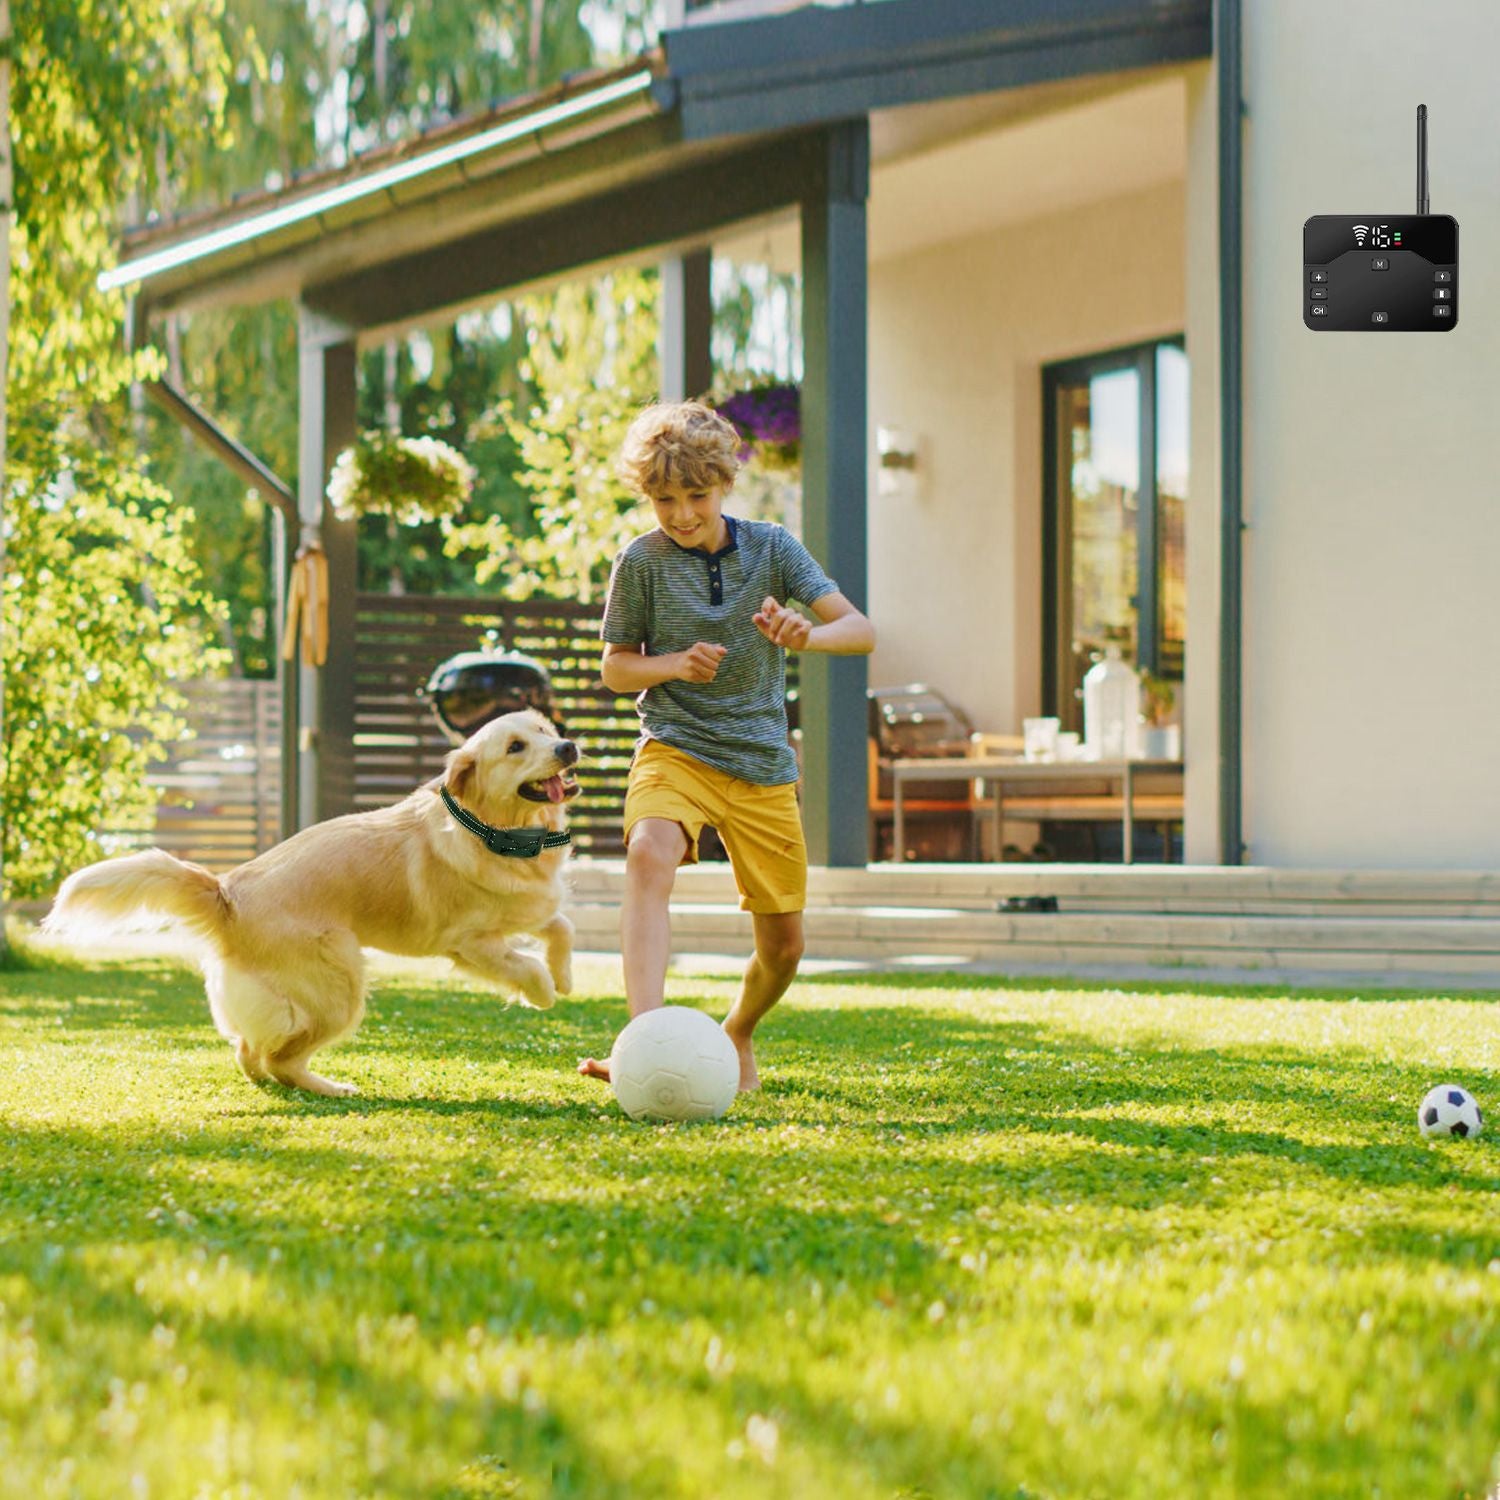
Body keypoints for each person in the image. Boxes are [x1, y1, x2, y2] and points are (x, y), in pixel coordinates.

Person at [578, 400, 875, 1092]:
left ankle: (736, 1031)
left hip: (760, 762)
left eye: (696, 496)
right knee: (649, 854)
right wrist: (673, 664)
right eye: (664, 499)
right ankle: (644, 1043)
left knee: (784, 947)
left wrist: (809, 635)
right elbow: (616, 667)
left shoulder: (771, 548)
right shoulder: (641, 561)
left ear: (724, 485)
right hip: (675, 745)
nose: (680, 514)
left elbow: (858, 630)